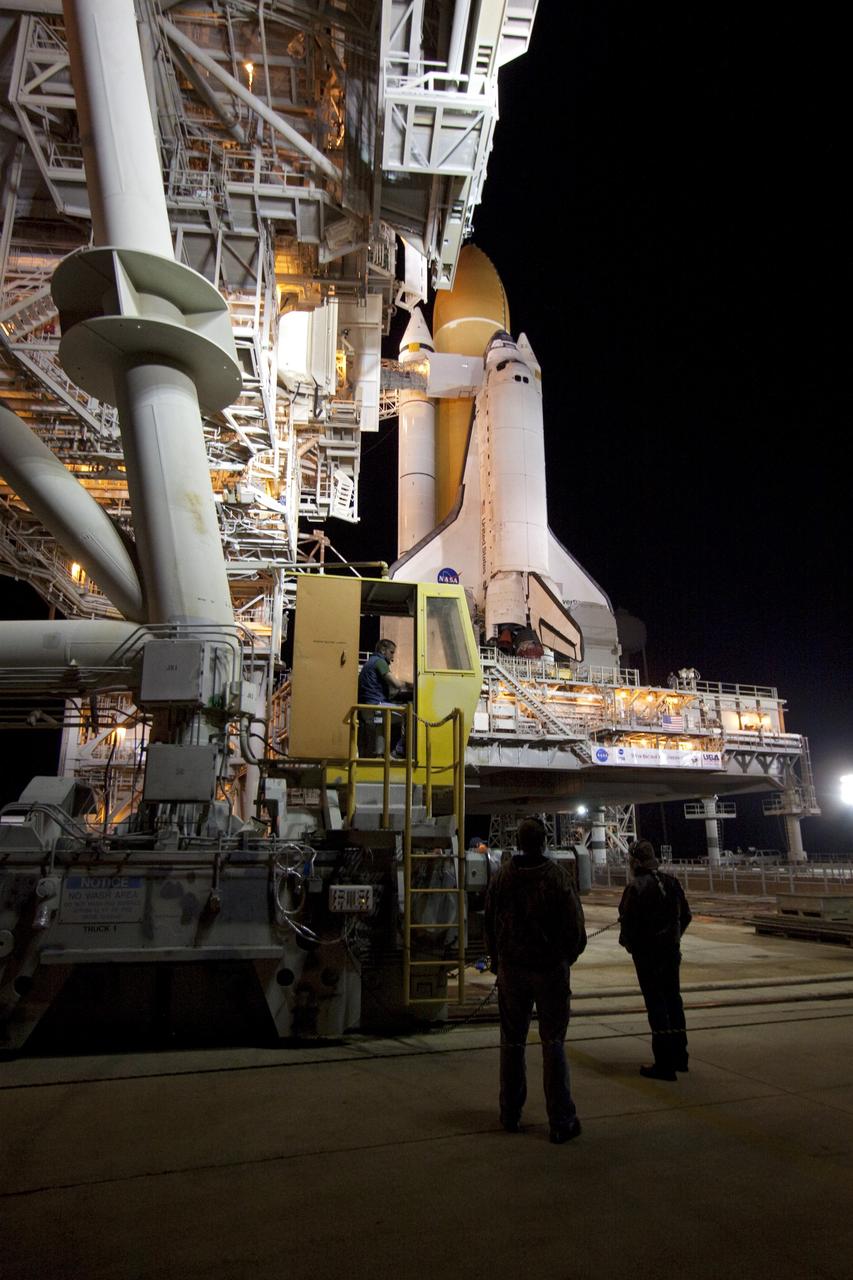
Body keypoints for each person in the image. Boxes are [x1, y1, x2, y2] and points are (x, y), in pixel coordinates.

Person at [484, 817, 587, 1143]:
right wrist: (563, 958)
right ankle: (561, 1120)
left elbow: (488, 922)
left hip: (513, 971)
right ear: (544, 842)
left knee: (512, 1043)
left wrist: (498, 962)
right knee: (553, 1043)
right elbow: (576, 928)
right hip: (550, 972)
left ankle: (510, 1114)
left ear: (518, 841)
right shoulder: (556, 878)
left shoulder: (502, 877)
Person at [618, 838, 692, 1080]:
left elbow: (627, 923)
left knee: (657, 1006)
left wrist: (632, 946)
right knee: (674, 1001)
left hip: (648, 957)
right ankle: (681, 1057)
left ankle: (664, 1064)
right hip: (671, 953)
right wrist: (674, 937)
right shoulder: (671, 882)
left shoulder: (636, 887)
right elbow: (687, 915)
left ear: (635, 861)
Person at [357, 639, 408, 757]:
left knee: (381, 724)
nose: (393, 657)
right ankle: (398, 751)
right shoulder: (380, 662)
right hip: (376, 705)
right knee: (410, 714)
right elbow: (396, 684)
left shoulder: (369, 662)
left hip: (367, 708)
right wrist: (407, 684)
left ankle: (380, 756)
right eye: (392, 652)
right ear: (383, 650)